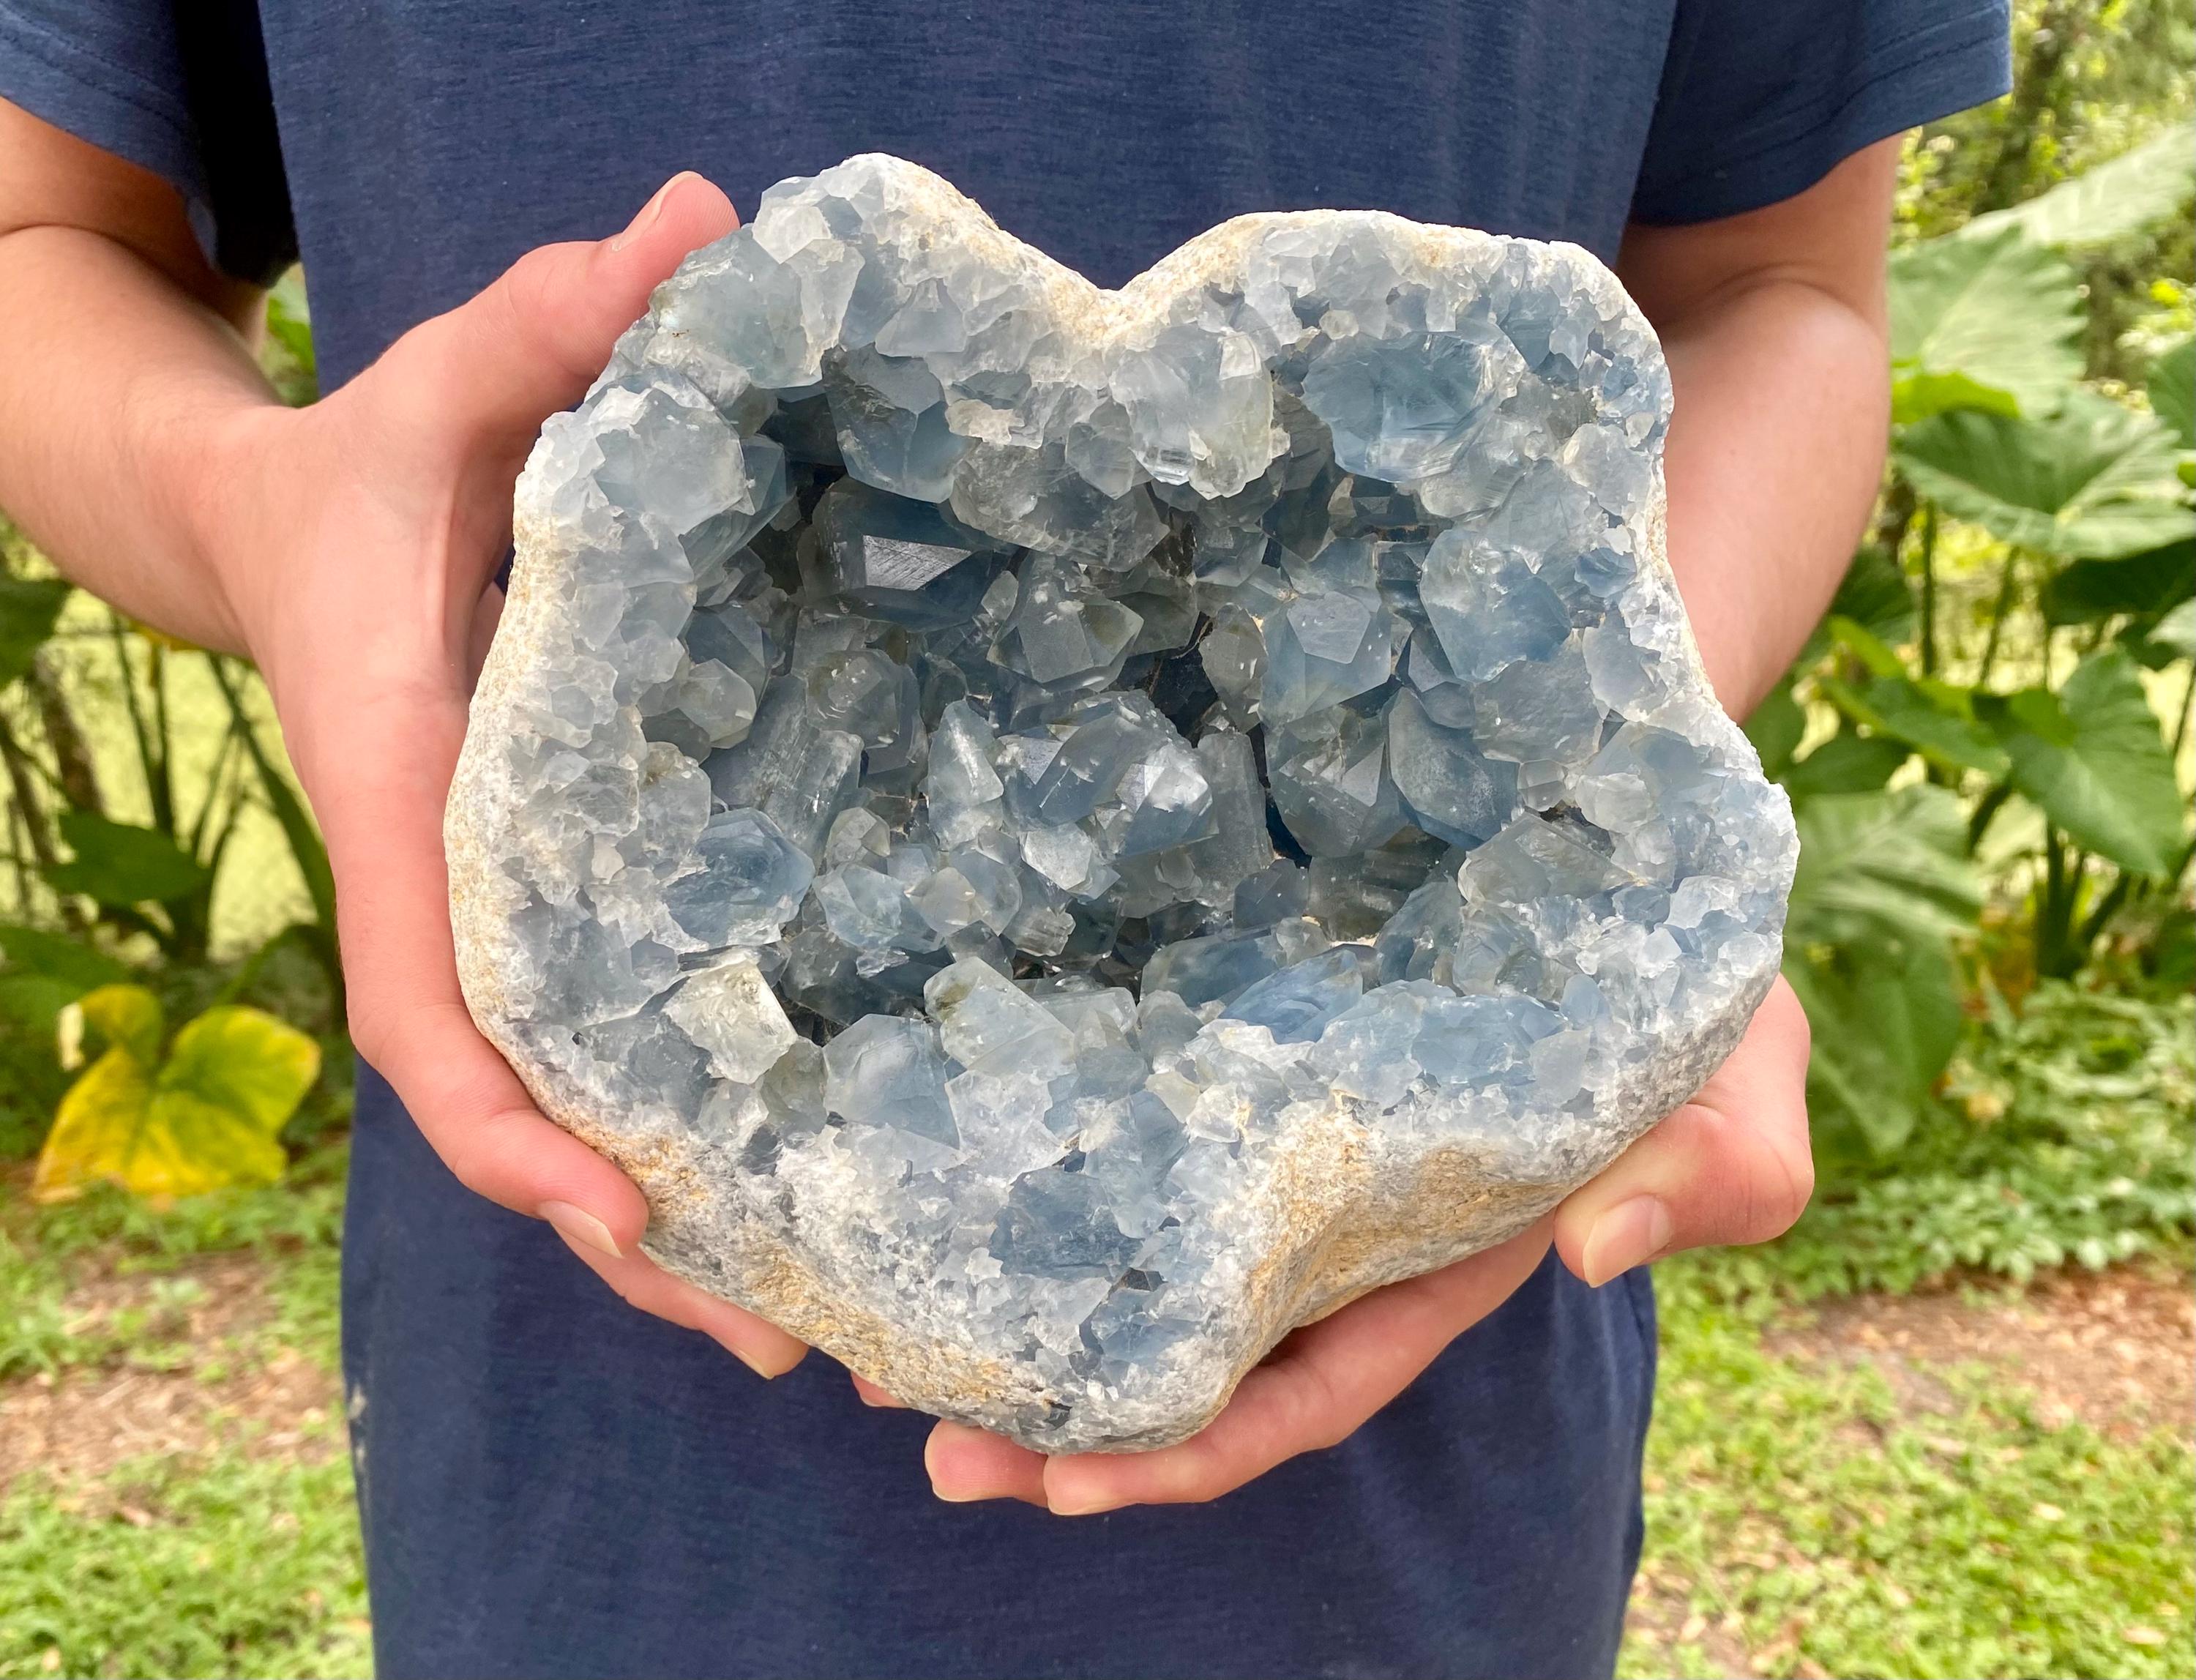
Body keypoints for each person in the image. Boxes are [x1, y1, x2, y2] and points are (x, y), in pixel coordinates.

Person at [0, 4, 2009, 1676]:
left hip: (1428, 1468)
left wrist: (1603, 764)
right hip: (583, 1428)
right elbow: (46, 244)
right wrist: (268, 512)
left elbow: (1781, 288)